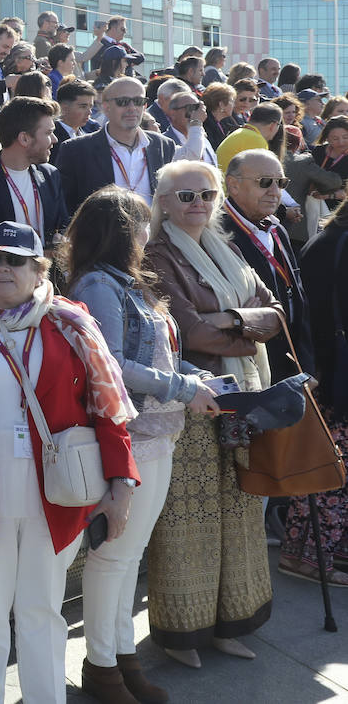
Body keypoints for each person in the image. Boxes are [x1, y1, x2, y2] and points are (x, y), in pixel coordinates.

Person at [0, 221, 138, 704]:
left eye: (15, 260)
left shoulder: (71, 321)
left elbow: (107, 408)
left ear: (40, 268)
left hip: (54, 492)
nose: (2, 269)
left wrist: (121, 482)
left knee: (43, 610)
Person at [66, 188, 224, 704]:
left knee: (128, 555)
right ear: (121, 231)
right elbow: (110, 364)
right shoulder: (97, 284)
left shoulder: (126, 284)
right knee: (114, 554)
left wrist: (198, 377)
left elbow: (158, 355)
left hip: (158, 434)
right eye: (141, 224)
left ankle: (119, 658)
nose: (148, 233)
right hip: (129, 437)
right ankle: (102, 667)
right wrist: (183, 388)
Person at [143, 160, 280, 667]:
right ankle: (182, 636)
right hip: (195, 407)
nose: (197, 203)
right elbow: (190, 334)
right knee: (188, 523)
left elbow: (274, 312)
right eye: (184, 196)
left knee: (241, 516)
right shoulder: (156, 256)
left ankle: (230, 625)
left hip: (243, 403)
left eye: (206, 194)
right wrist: (245, 326)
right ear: (163, 203)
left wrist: (228, 321)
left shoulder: (229, 249)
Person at [281, 201, 348, 586]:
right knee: (329, 470)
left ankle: (326, 550)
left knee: (333, 468)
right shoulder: (335, 242)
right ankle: (305, 556)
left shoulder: (328, 239)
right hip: (334, 374)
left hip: (328, 369)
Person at [222, 150, 313, 385]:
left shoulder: (276, 228)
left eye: (280, 182)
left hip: (290, 364)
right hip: (250, 367)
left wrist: (306, 364)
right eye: (265, 182)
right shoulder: (215, 232)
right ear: (233, 185)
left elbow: (297, 296)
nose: (275, 192)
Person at [0, 97, 69, 253]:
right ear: (24, 138)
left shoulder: (50, 175)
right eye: (48, 133)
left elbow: (62, 224)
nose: (55, 139)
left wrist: (60, 240)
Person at [55, 76, 176, 211]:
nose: (132, 108)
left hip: (153, 231)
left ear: (145, 106)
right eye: (123, 102)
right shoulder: (76, 150)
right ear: (106, 107)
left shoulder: (163, 146)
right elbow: (66, 206)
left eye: (138, 101)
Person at [215, 103, 283, 173]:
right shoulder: (256, 140)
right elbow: (258, 176)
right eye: (279, 125)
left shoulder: (241, 133)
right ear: (273, 125)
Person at [165, 84, 217, 165]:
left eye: (197, 108)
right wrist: (196, 122)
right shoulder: (165, 142)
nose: (194, 114)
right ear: (172, 113)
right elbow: (192, 156)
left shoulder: (202, 137)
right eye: (190, 108)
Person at [52, 77, 100, 159]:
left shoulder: (93, 130)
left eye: (91, 107)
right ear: (64, 107)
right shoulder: (52, 136)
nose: (89, 112)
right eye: (83, 106)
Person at [201, 83, 236, 148]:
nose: (234, 105)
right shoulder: (206, 124)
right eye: (231, 101)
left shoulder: (223, 122)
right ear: (221, 104)